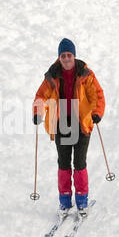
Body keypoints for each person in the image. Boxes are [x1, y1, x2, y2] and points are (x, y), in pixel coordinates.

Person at [32, 38, 105, 215]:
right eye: (63, 56)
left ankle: (81, 201)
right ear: (59, 57)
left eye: (69, 55)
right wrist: (38, 112)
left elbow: (97, 95)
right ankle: (64, 201)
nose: (66, 59)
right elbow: (41, 96)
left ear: (74, 55)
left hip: (81, 123)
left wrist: (97, 112)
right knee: (63, 163)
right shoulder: (52, 75)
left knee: (79, 163)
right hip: (61, 123)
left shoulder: (86, 74)